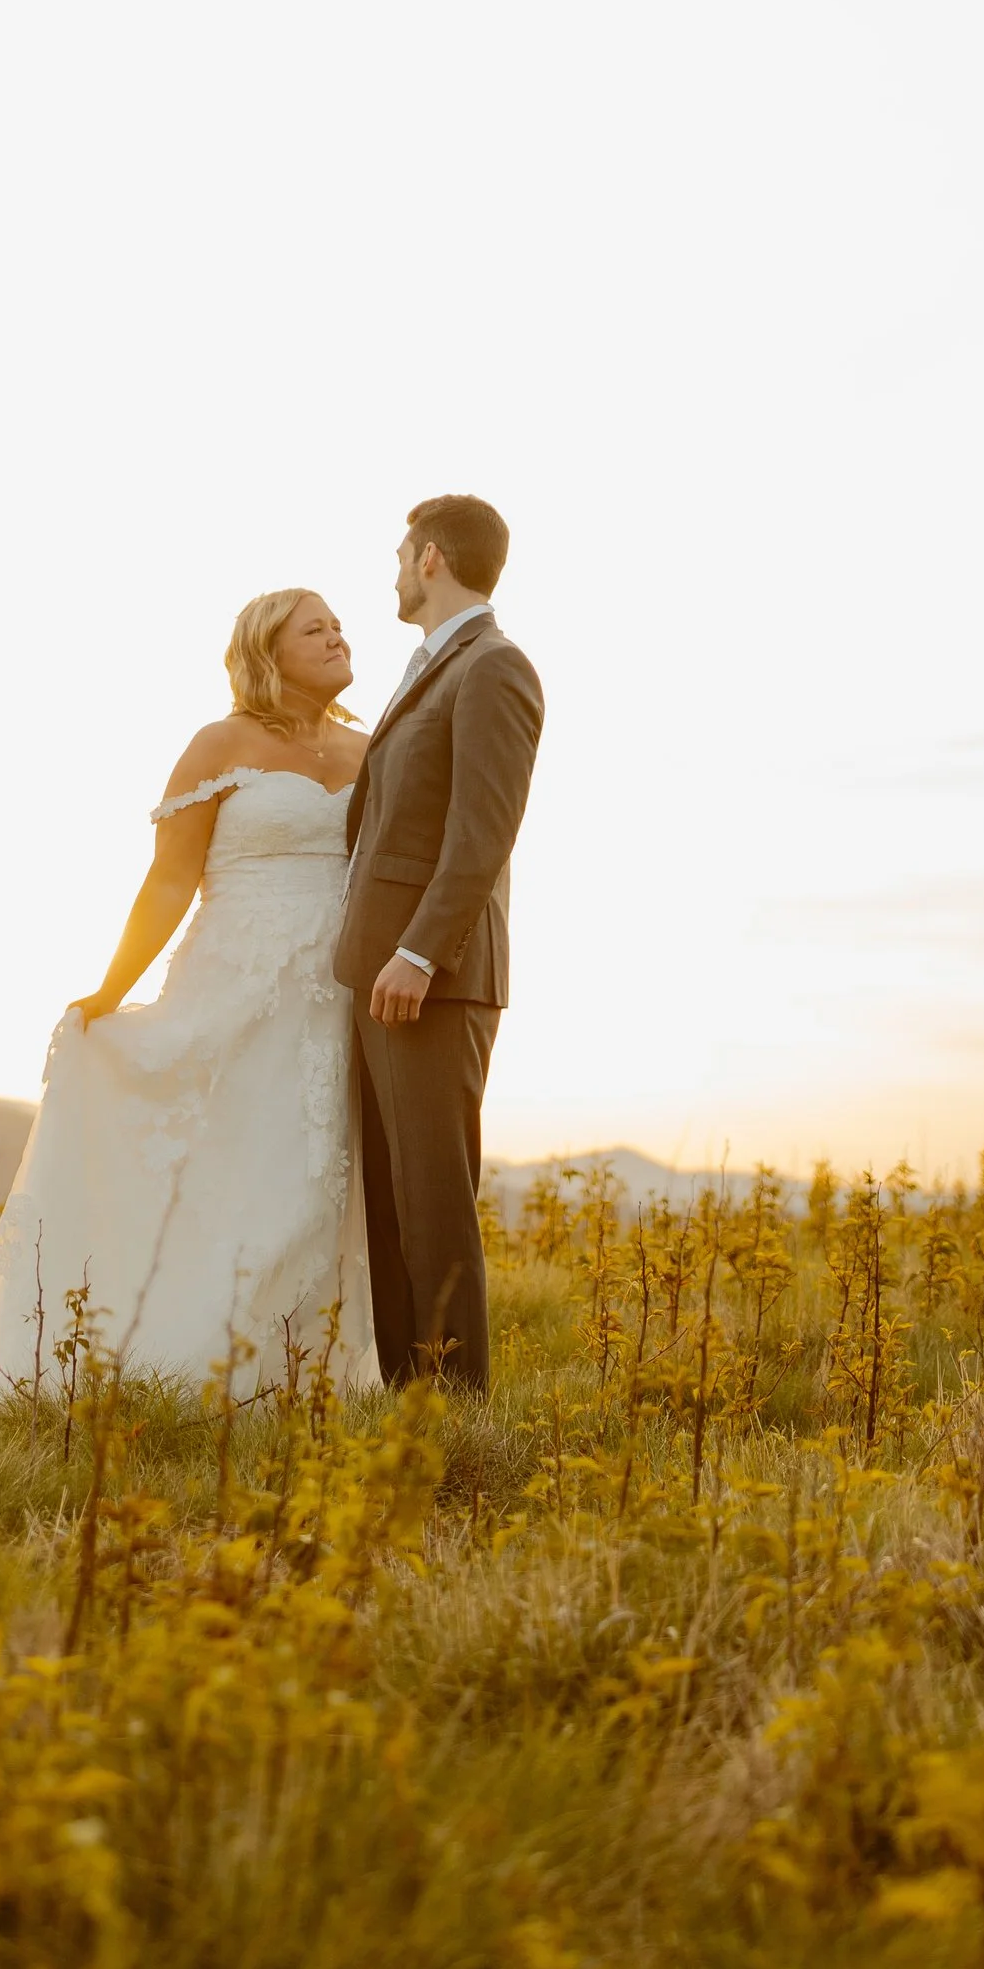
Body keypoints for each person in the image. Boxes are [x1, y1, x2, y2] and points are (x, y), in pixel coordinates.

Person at [0, 589, 379, 1410]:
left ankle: (288, 1373)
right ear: (267, 650)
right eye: (315, 628)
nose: (338, 637)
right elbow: (169, 879)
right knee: (229, 1172)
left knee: (310, 1178)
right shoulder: (220, 742)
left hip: (333, 1000)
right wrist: (111, 991)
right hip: (235, 988)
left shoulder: (372, 748)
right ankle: (185, 1363)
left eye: (338, 625)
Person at [335, 494, 543, 1392]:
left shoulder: (494, 667)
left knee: (433, 1202)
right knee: (389, 1203)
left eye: (400, 555)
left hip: (433, 976)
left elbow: (482, 832)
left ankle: (458, 1414)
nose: (393, 573)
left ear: (431, 558)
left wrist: (420, 951)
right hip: (380, 968)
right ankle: (405, 1400)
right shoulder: (434, 666)